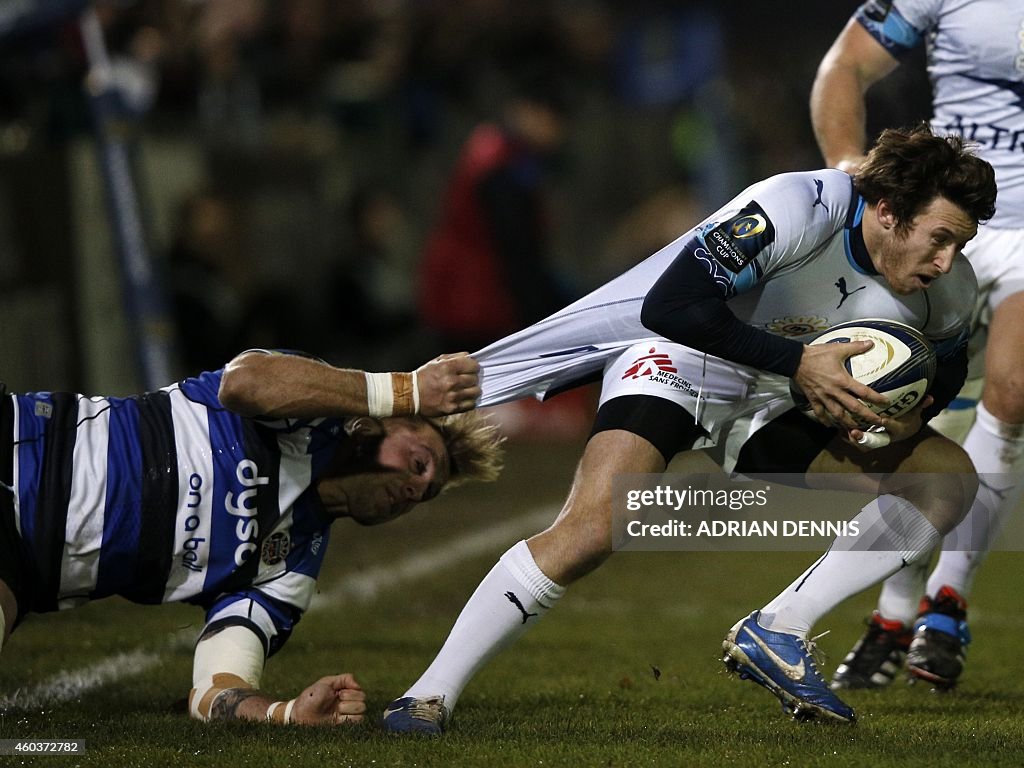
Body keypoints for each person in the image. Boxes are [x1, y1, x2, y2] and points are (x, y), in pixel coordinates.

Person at [379, 124, 996, 731]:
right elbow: (670, 306)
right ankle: (426, 696)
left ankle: (779, 630)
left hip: (782, 395)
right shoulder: (798, 207)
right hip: (683, 358)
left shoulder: (948, 289)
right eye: (939, 238)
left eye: (959, 245)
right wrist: (798, 364)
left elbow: (946, 365)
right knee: (595, 527)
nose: (945, 261)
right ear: (888, 210)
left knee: (945, 480)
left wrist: (909, 413)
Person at [0, 349, 503, 726]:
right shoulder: (304, 417)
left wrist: (283, 713)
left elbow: (215, 689)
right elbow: (244, 382)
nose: (415, 489)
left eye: (427, 492)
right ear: (381, 424)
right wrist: (409, 390)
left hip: (17, 564)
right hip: (18, 443)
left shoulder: (289, 573)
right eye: (418, 464)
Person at [810, 0, 1024, 691]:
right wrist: (852, 169)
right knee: (904, 410)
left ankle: (945, 605)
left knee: (1014, 390)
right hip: (943, 219)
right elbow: (845, 66)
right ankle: (895, 611)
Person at [417, 71, 573, 354]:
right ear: (530, 111)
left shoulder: (497, 150)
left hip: (464, 295)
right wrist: (543, 314)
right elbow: (516, 249)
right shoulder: (500, 166)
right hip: (472, 302)